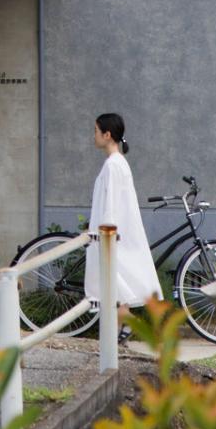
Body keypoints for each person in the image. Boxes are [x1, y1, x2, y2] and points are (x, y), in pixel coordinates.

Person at [85, 112, 162, 309]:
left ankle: (124, 326)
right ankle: (123, 327)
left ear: (107, 134)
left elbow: (110, 202)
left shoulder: (112, 165)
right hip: (118, 230)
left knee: (115, 280)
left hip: (111, 231)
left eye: (96, 131)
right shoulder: (118, 162)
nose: (93, 135)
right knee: (117, 280)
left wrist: (106, 230)